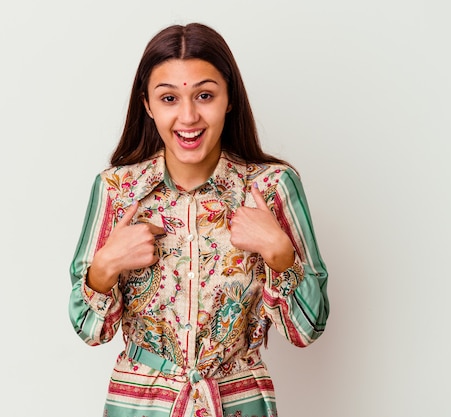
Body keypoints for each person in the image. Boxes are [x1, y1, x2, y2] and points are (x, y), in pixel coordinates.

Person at [69, 23, 329, 417]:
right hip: (140, 406)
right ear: (147, 105)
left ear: (229, 100)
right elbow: (89, 330)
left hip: (240, 403)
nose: (188, 116)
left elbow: (306, 330)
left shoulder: (272, 188)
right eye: (169, 98)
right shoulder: (117, 190)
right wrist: (104, 267)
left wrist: (279, 253)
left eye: (204, 95)